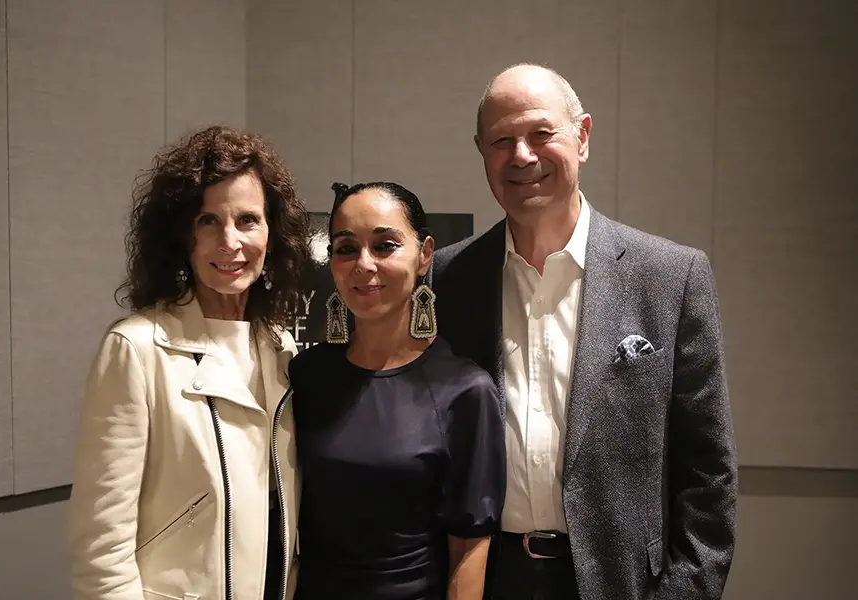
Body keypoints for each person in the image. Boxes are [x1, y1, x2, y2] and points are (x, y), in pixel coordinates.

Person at [431, 64, 737, 600]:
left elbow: (708, 474)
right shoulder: (447, 281)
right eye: (502, 140)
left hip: (622, 583)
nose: (522, 156)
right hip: (485, 577)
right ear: (482, 152)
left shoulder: (669, 277)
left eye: (540, 133)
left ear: (583, 137)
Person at [67, 125, 310, 600]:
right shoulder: (137, 350)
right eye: (207, 221)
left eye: (247, 220)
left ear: (272, 233)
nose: (230, 241)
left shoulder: (281, 347)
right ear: (181, 234)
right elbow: (101, 545)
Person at [287, 182, 506, 600]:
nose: (363, 264)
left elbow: (470, 545)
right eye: (346, 248)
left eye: (385, 246)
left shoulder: (464, 390)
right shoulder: (305, 376)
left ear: (425, 255)